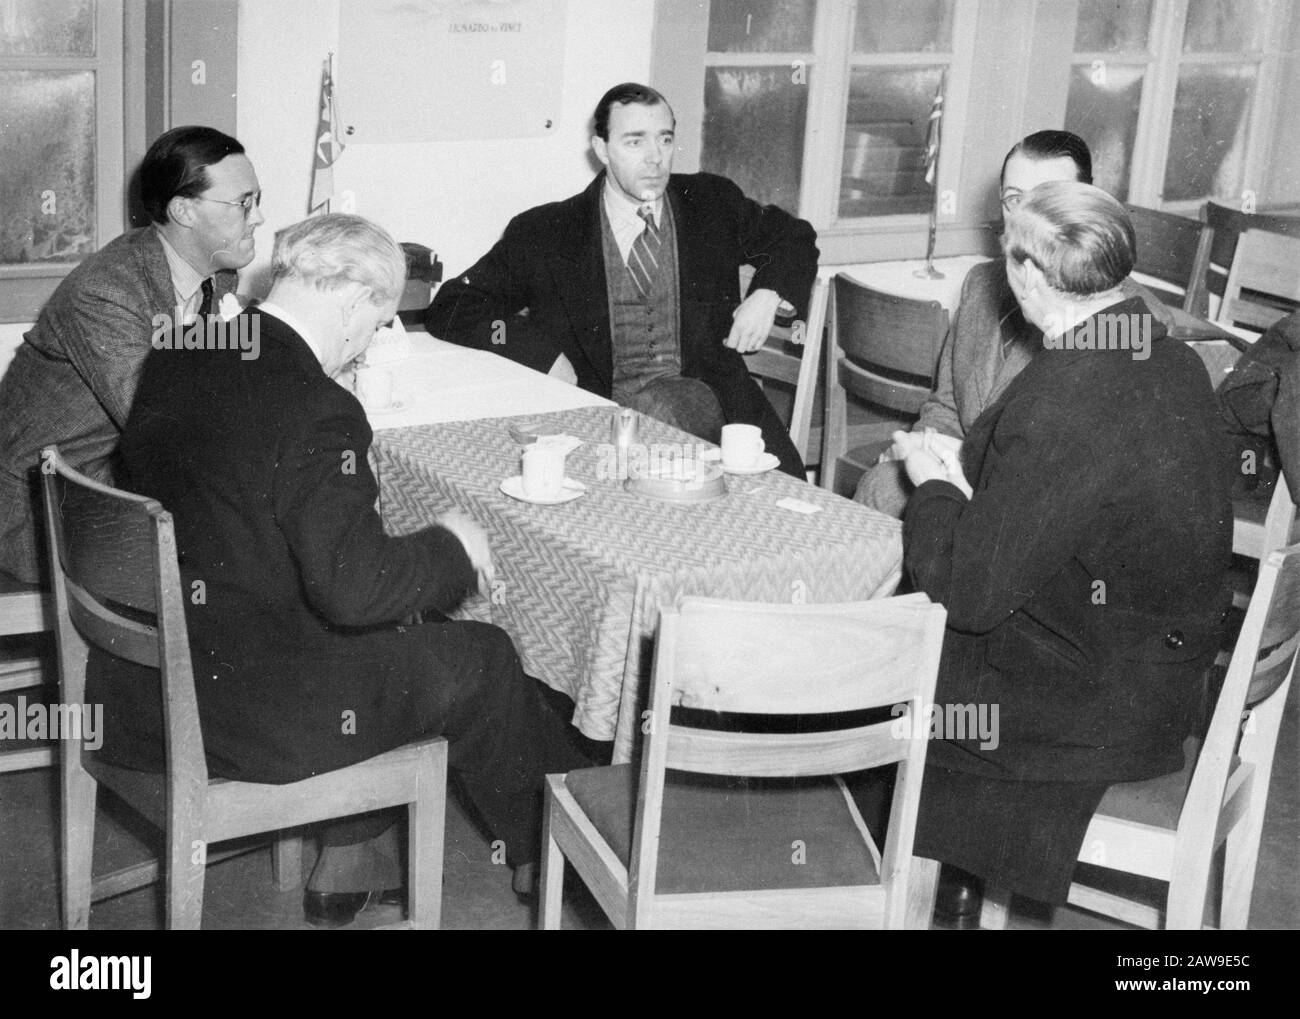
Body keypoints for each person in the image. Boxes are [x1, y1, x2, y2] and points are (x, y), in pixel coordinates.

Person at [88, 214, 586, 927]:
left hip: (140, 688)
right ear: (354, 303)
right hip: (240, 713)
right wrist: (451, 546)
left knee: (400, 628)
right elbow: (354, 590)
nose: (369, 341)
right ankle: (564, 853)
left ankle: (356, 851)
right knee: (484, 656)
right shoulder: (318, 406)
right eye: (380, 322)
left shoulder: (184, 348)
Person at [889, 181, 1232, 920]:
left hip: (1092, 712)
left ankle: (901, 893)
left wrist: (934, 487)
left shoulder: (1067, 394)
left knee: (886, 694)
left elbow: (972, 593)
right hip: (1161, 678)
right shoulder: (1163, 355)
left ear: (1030, 275)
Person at [426, 82, 818, 477]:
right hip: (602, 432)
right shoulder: (547, 231)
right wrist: (540, 354)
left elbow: (794, 237)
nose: (655, 159)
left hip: (715, 416)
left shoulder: (711, 202)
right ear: (601, 150)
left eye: (664, 140)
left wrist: (768, 293)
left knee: (796, 514)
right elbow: (456, 304)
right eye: (635, 142)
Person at [854, 130, 1174, 516]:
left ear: (1085, 204)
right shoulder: (980, 284)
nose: (1025, 217)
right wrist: (923, 443)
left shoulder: (1133, 320)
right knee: (882, 483)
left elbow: (1078, 476)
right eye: (1014, 199)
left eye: (1046, 200)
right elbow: (948, 404)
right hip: (966, 475)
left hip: (1040, 510)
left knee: (885, 492)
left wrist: (953, 470)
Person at [0, 125, 261, 584]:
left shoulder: (216, 275)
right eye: (244, 203)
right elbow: (161, 427)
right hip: (43, 510)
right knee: (247, 563)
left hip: (115, 482)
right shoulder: (107, 292)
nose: (257, 218)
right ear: (184, 211)